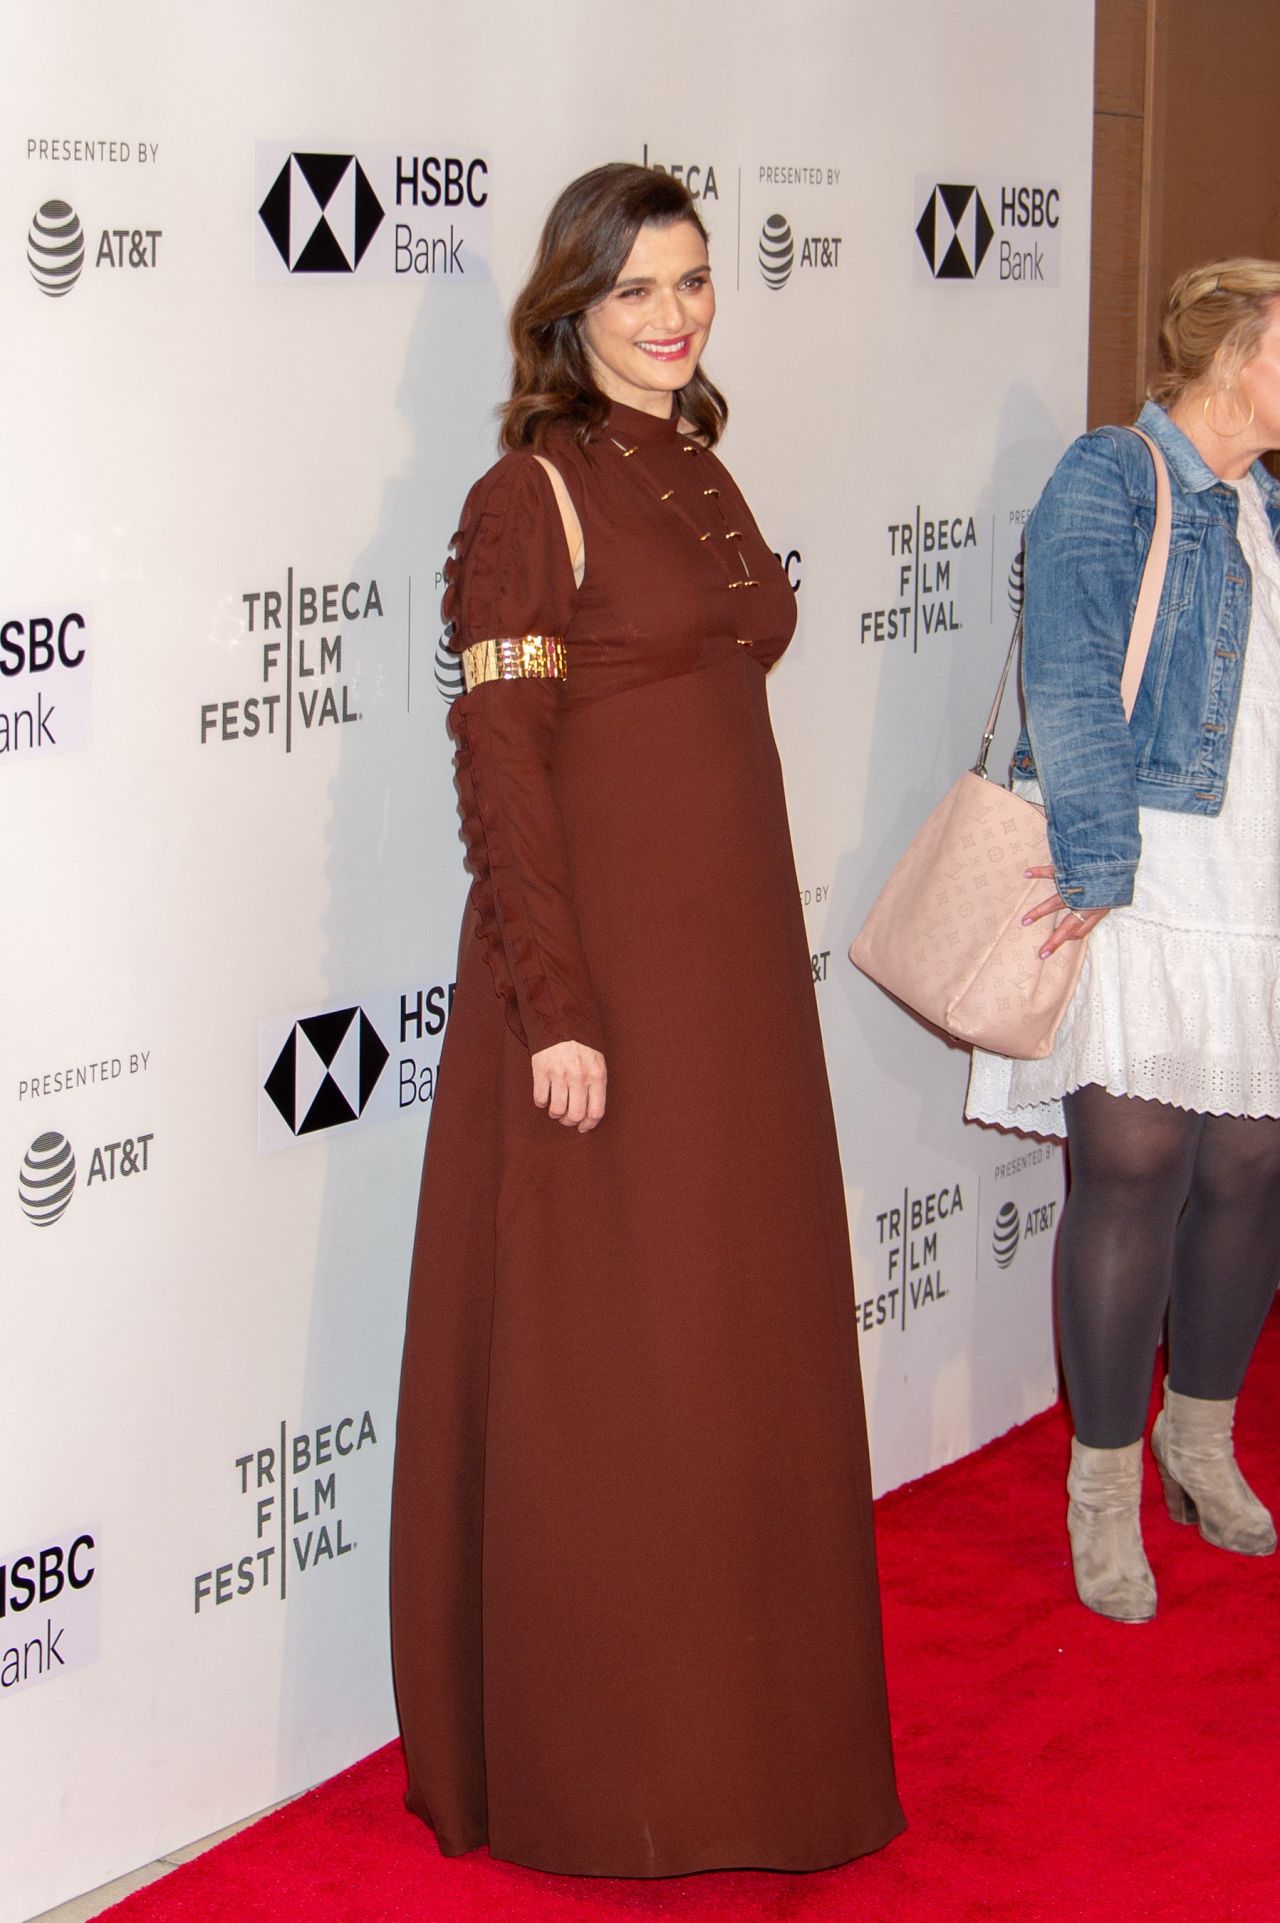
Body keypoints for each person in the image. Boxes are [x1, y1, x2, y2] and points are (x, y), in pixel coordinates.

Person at [389, 163, 904, 1876]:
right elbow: (502, 769)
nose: (676, 315)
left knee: (732, 1356)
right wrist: (557, 1002)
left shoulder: (695, 464)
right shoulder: (530, 494)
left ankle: (757, 1746)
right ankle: (618, 1758)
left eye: (692, 282)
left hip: (736, 985)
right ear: (571, 309)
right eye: (637, 292)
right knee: (626, 1370)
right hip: (602, 994)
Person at [967, 259, 1280, 1622]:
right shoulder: (1115, 472)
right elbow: (1071, 670)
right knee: (1136, 1166)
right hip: (1142, 861)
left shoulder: (1273, 503)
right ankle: (1102, 1486)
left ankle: (1197, 1439)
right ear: (1234, 358)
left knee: (1253, 1168)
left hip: (1260, 871)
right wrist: (1096, 852)